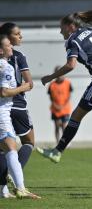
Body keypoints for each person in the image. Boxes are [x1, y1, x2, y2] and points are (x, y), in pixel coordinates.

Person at [36, 0, 92, 163]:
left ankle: (57, 151)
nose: (60, 31)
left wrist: (50, 77)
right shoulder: (89, 30)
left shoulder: (72, 41)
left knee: (76, 116)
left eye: (61, 27)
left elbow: (71, 65)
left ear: (69, 26)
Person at [0, 34, 40, 199]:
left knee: (4, 150)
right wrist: (22, 87)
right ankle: (21, 189)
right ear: (1, 50)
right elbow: (4, 92)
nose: (12, 48)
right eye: (9, 45)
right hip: (2, 113)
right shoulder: (6, 67)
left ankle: (3, 192)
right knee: (11, 148)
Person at [47, 66, 73, 143]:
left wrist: (63, 105)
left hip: (65, 108)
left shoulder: (67, 83)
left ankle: (65, 142)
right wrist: (55, 105)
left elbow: (69, 96)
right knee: (57, 125)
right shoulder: (52, 85)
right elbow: (51, 97)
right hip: (55, 109)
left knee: (64, 126)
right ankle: (57, 142)